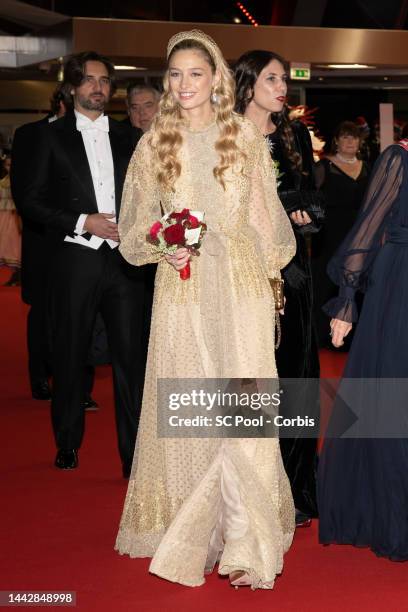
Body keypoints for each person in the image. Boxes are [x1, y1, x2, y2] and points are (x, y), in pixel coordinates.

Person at [115, 30, 296, 589]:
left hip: (240, 282)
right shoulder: (154, 142)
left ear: (217, 77)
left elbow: (267, 220)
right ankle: (195, 526)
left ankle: (245, 541)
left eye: (196, 73)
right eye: (175, 75)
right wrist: (164, 241)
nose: (185, 84)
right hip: (184, 284)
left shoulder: (242, 135)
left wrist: (271, 285)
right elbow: (133, 229)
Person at [15, 51, 146, 476]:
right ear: (72, 87)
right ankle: (67, 440)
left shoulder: (132, 137)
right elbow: (29, 201)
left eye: (105, 80)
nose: (98, 87)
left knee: (131, 360)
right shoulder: (44, 137)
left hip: (126, 261)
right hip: (75, 257)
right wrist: (82, 219)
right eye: (89, 80)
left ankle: (134, 455)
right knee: (70, 354)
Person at [234, 50, 323, 527]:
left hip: (294, 272)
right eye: (272, 78)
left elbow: (310, 190)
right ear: (248, 84)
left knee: (296, 378)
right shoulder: (225, 135)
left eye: (285, 79)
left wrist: (305, 213)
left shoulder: (294, 134)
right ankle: (247, 491)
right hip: (241, 274)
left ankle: (296, 489)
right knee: (249, 379)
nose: (282, 86)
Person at [318, 138, 408, 560]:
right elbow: (369, 228)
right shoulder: (400, 156)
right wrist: (347, 301)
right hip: (401, 286)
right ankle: (394, 517)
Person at [11, 83, 98, 406]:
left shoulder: (93, 133)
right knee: (44, 312)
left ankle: (81, 389)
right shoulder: (30, 134)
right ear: (64, 100)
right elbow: (25, 194)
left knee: (86, 313)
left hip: (86, 240)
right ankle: (40, 374)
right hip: (43, 239)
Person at [312, 121, 370, 349]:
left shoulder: (368, 167)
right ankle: (325, 335)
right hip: (330, 236)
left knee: (357, 283)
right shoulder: (324, 167)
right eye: (345, 137)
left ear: (360, 142)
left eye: (354, 138)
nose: (349, 142)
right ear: (336, 141)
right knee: (327, 282)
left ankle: (354, 338)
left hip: (360, 236)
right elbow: (313, 201)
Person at [0, 152, 21, 286]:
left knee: (16, 246)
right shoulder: (2, 182)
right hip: (3, 217)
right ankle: (15, 275)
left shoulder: (20, 181)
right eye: (8, 165)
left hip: (15, 217)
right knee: (6, 245)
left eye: (12, 165)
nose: (10, 167)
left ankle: (19, 275)